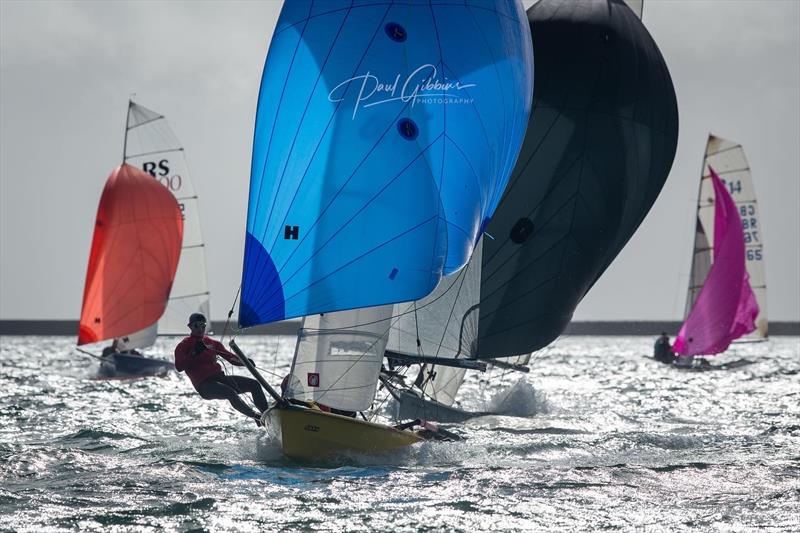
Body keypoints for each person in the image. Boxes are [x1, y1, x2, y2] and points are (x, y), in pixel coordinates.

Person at [174, 313, 269, 425]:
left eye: (203, 326)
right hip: (205, 386)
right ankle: (255, 416)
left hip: (220, 378)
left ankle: (268, 417)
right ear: (190, 326)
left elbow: (231, 358)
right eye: (196, 326)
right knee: (230, 392)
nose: (200, 329)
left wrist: (245, 362)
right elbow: (179, 367)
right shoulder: (184, 345)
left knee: (254, 385)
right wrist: (193, 354)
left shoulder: (213, 343)